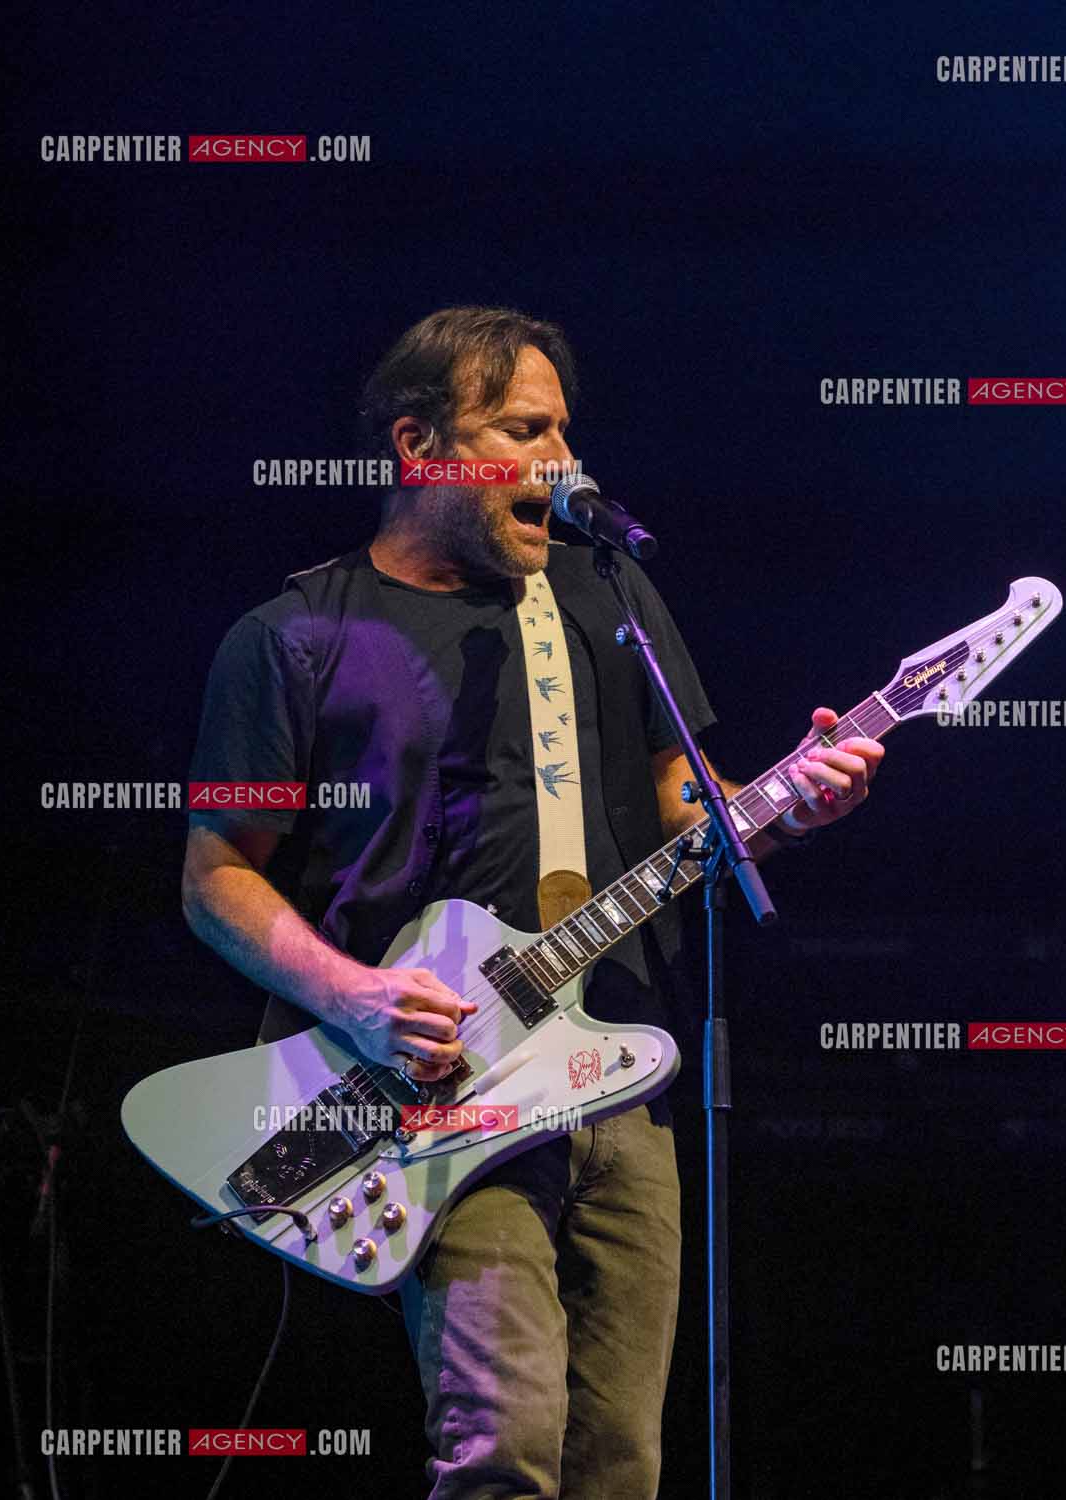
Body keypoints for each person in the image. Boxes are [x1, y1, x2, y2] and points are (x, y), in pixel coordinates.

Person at [181, 306, 885, 1498]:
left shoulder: (605, 594)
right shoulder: (296, 634)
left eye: (565, 429)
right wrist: (351, 996)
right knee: (504, 1445)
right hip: (441, 1091)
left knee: (622, 1461)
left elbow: (684, 802)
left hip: (621, 1067)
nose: (560, 459)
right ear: (418, 446)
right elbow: (216, 875)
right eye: (522, 430)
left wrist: (786, 802)